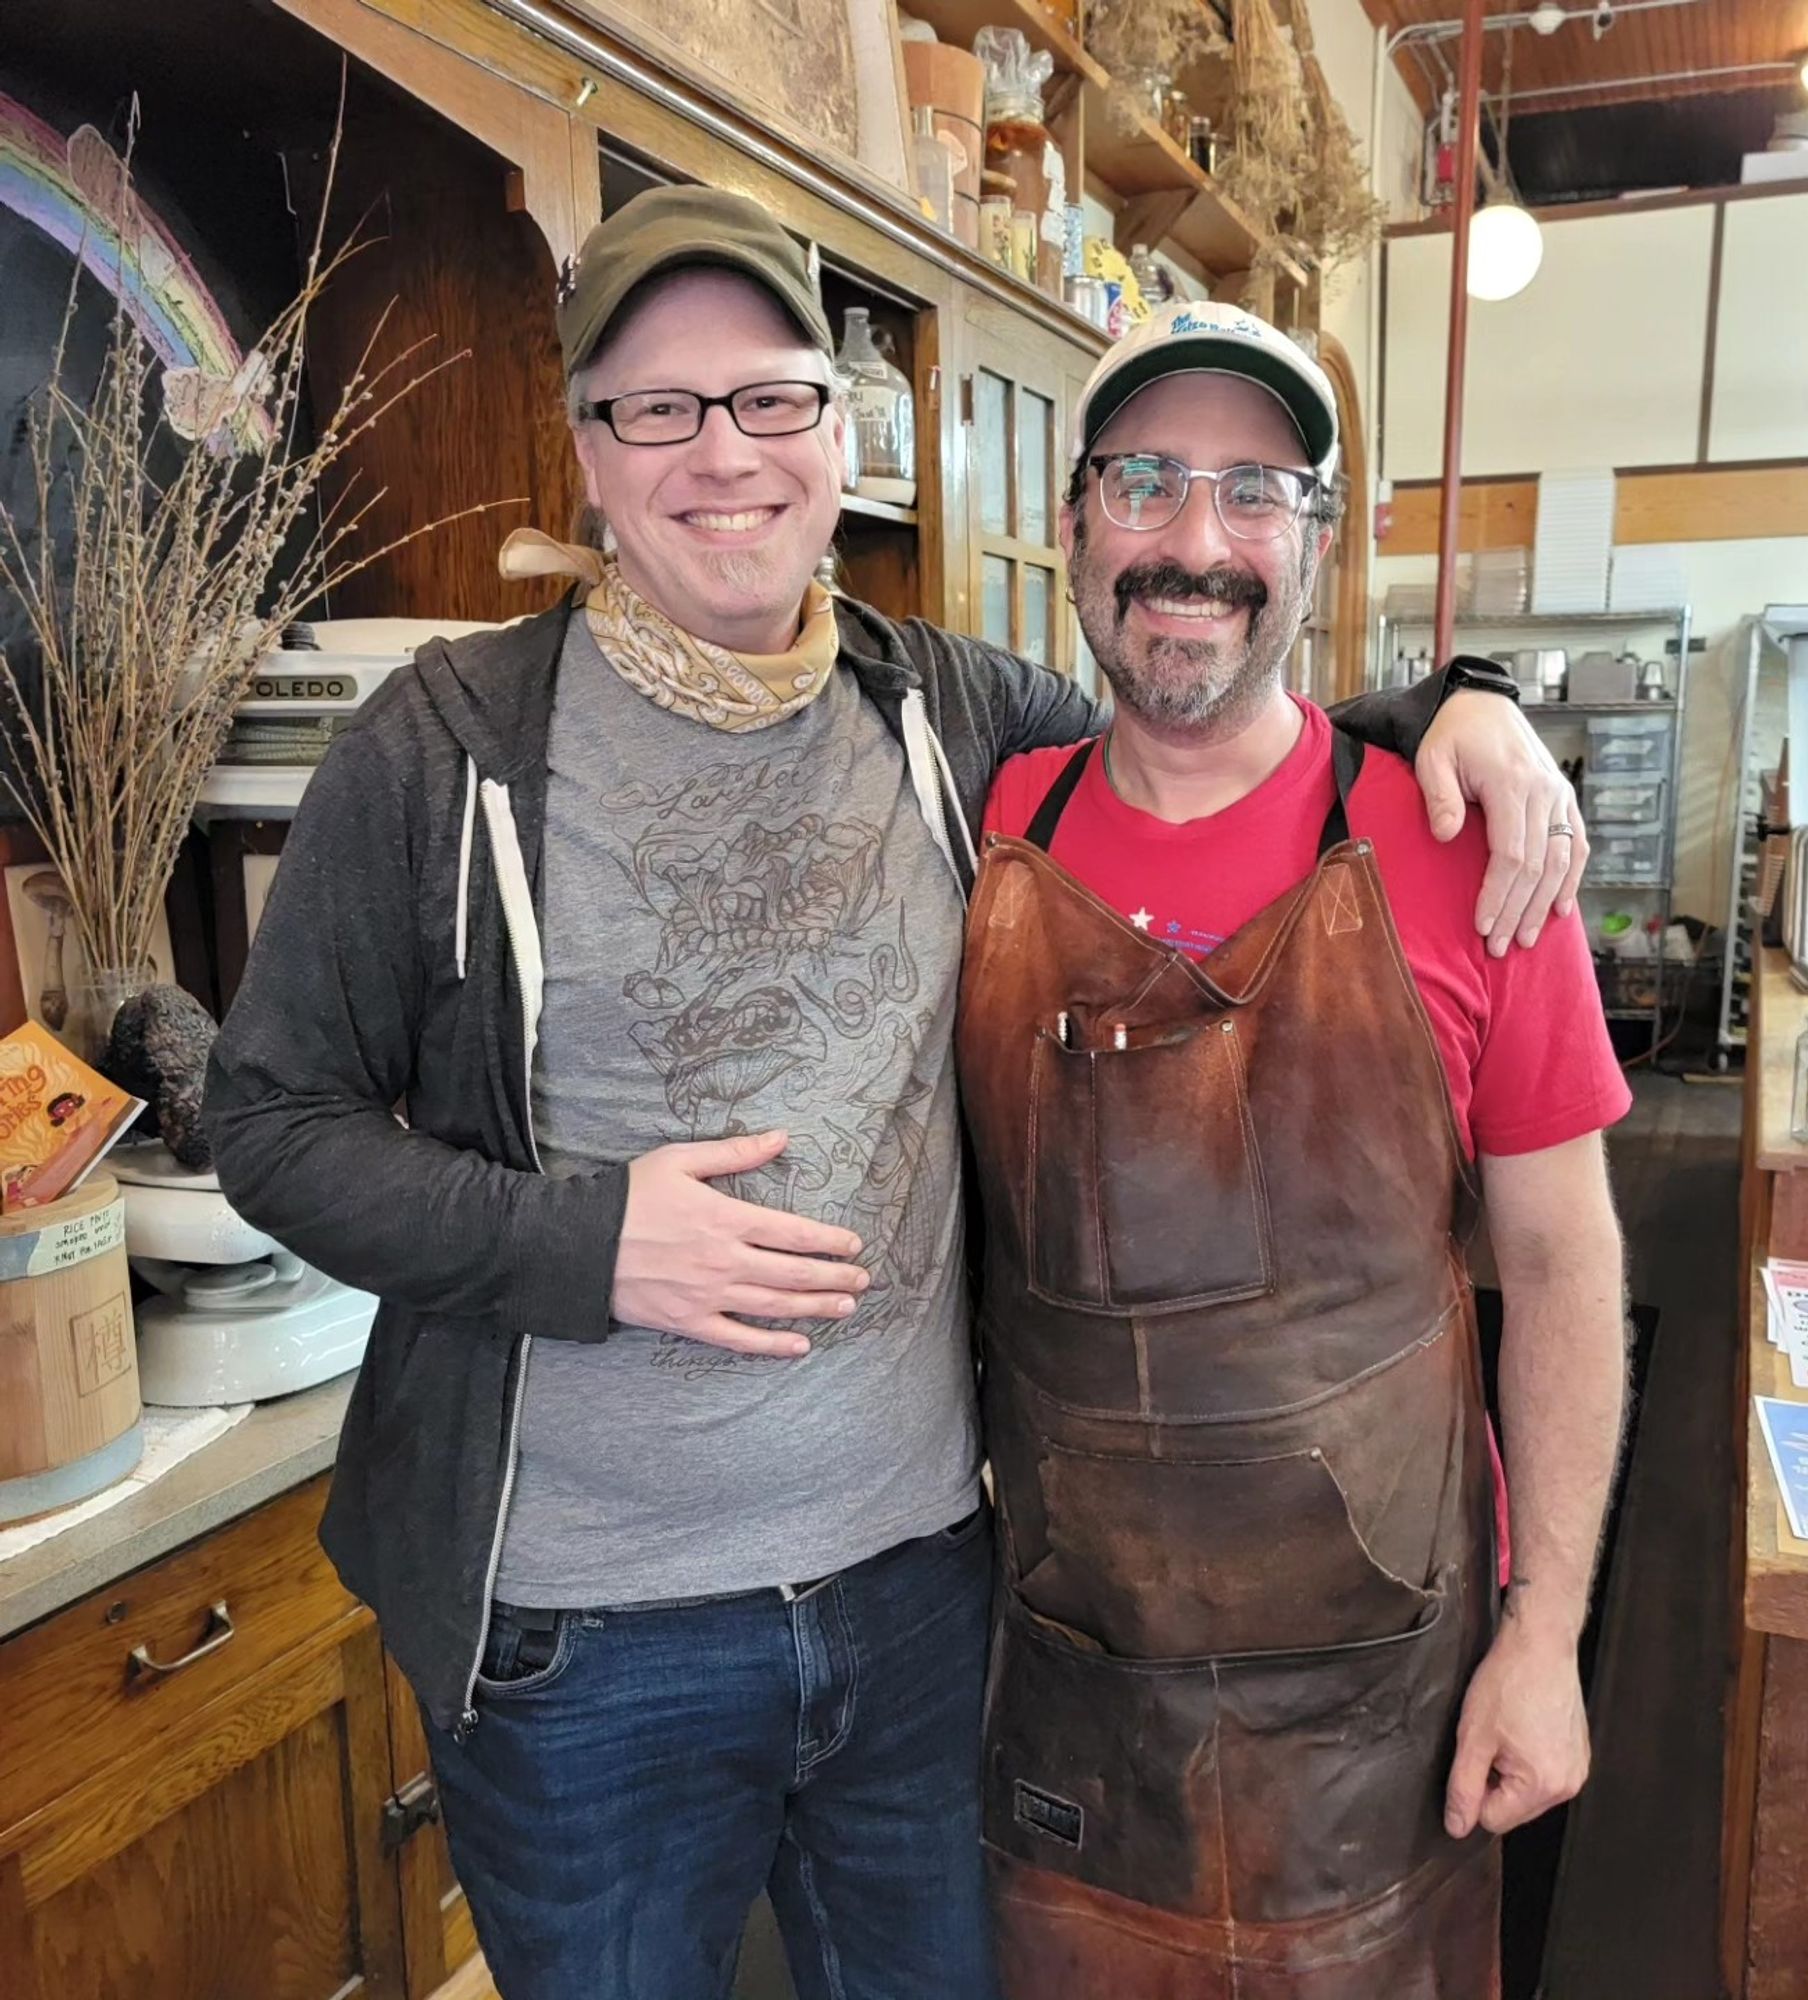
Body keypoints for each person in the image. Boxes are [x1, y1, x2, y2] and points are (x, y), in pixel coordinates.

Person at [204, 187, 1589, 2000]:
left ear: (840, 440)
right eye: (659, 408)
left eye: (772, 399)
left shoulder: (945, 716)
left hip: (929, 1606)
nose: (724, 455)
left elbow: (1192, 687)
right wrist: (586, 1242)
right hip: (581, 1645)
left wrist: (1455, 709)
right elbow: (269, 1125)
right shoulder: (448, 747)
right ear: (591, 455)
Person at [960, 301, 1632, 1998]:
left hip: (1381, 1712)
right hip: (1065, 1685)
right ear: (1070, 526)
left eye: (1257, 492)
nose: (1198, 541)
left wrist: (1548, 1633)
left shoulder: (1468, 845)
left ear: (1319, 549)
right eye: (1147, 481)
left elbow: (1564, 1273)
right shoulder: (979, 822)